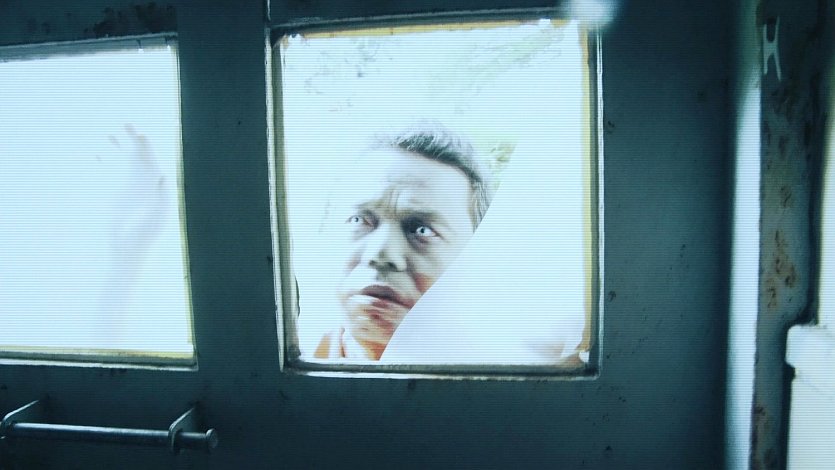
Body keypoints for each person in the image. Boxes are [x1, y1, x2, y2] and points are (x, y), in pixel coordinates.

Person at [307, 123, 492, 360]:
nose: (380, 254)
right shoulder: (280, 360)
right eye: (359, 220)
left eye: (422, 231)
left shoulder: (506, 375)